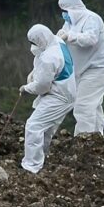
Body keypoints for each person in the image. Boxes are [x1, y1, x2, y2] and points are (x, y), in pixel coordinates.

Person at [20, 24, 76, 174]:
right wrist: (34, 72)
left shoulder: (48, 58)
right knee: (46, 129)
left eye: (34, 43)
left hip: (58, 96)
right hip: (67, 92)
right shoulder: (57, 42)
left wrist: (27, 88)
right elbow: (61, 36)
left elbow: (43, 86)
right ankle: (41, 159)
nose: (32, 46)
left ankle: (31, 166)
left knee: (34, 126)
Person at [57, 0, 104, 136]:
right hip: (83, 71)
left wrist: (69, 36)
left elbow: (91, 39)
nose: (64, 14)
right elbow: (61, 42)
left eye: (65, 10)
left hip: (98, 70)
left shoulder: (92, 19)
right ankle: (97, 140)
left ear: (73, 8)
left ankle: (84, 143)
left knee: (83, 106)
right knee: (93, 108)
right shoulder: (69, 23)